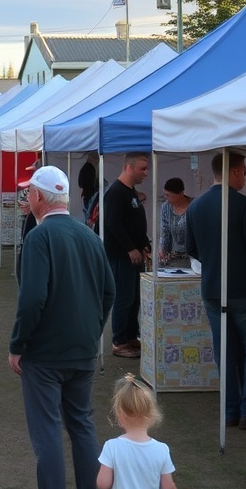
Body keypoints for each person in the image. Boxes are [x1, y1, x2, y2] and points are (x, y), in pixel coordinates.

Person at [9, 166, 114, 489]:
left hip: (46, 354)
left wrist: (19, 344)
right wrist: (90, 330)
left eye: (28, 193)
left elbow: (33, 298)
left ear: (39, 197)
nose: (26, 199)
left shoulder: (41, 237)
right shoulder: (88, 235)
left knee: (49, 433)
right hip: (82, 351)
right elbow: (108, 292)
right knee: (82, 428)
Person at [185, 151, 246, 430]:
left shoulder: (195, 206)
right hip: (243, 287)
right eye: (244, 172)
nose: (245, 177)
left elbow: (191, 249)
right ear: (235, 172)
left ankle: (231, 411)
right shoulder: (242, 204)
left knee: (225, 350)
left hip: (212, 287)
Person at [97, 374, 185, 489]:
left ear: (119, 414)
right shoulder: (161, 450)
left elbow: (103, 484)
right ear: (151, 414)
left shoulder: (112, 447)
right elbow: (169, 488)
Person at [103, 153, 150, 359]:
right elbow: (114, 224)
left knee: (134, 298)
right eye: (143, 169)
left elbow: (134, 223)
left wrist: (144, 244)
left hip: (134, 254)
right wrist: (131, 248)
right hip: (121, 255)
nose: (146, 173)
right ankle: (119, 341)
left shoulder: (130, 192)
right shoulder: (115, 192)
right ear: (129, 168)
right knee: (124, 297)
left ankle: (131, 336)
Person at [158, 177, 191, 264]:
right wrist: (162, 249)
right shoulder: (166, 207)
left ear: (181, 193)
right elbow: (165, 231)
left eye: (169, 195)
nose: (166, 198)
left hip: (193, 256)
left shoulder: (194, 205)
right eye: (165, 194)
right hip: (174, 256)